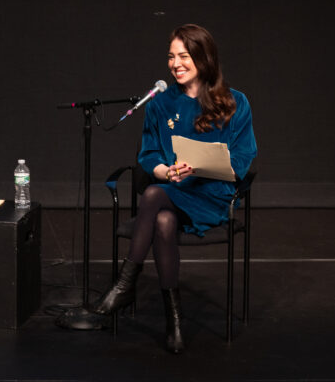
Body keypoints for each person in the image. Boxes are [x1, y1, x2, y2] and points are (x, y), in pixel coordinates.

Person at [92, 23, 257, 353]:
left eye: (184, 56)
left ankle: (126, 284)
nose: (176, 63)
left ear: (203, 58)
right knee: (162, 215)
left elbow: (242, 159)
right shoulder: (158, 103)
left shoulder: (235, 102)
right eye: (171, 56)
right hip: (172, 192)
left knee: (153, 197)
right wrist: (166, 171)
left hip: (212, 195)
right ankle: (175, 322)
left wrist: (200, 166)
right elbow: (148, 153)